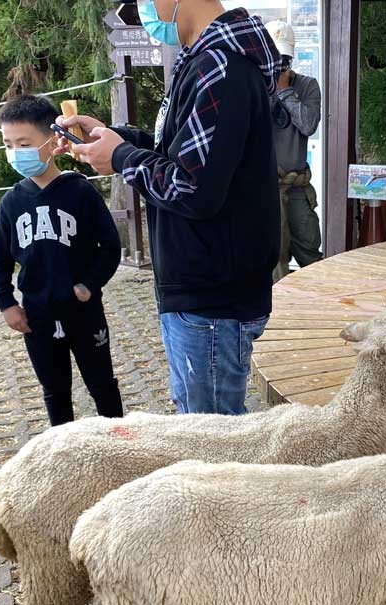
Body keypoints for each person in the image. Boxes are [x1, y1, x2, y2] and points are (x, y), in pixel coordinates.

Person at [56, 0, 280, 416]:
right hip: (205, 288)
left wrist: (121, 156)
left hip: (212, 296)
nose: (139, 10)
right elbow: (186, 158)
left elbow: (191, 187)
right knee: (205, 433)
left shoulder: (220, 66)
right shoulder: (209, 59)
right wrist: (112, 138)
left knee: (211, 447)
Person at [0, 94, 124, 427]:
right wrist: (7, 303)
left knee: (103, 385)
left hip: (84, 313)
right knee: (54, 391)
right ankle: (63, 454)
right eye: (8, 144)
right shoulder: (11, 204)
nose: (16, 152)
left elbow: (110, 246)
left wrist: (88, 286)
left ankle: (123, 444)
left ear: (52, 142)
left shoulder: (81, 193)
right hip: (37, 317)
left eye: (24, 143)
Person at [266, 19, 322, 281]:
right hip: (266, 189)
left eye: (284, 58)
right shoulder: (255, 85)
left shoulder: (307, 85)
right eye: (275, 57)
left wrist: (285, 90)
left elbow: (308, 125)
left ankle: (317, 309)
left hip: (297, 186)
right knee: (272, 258)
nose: (280, 64)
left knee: (310, 252)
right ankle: (278, 315)